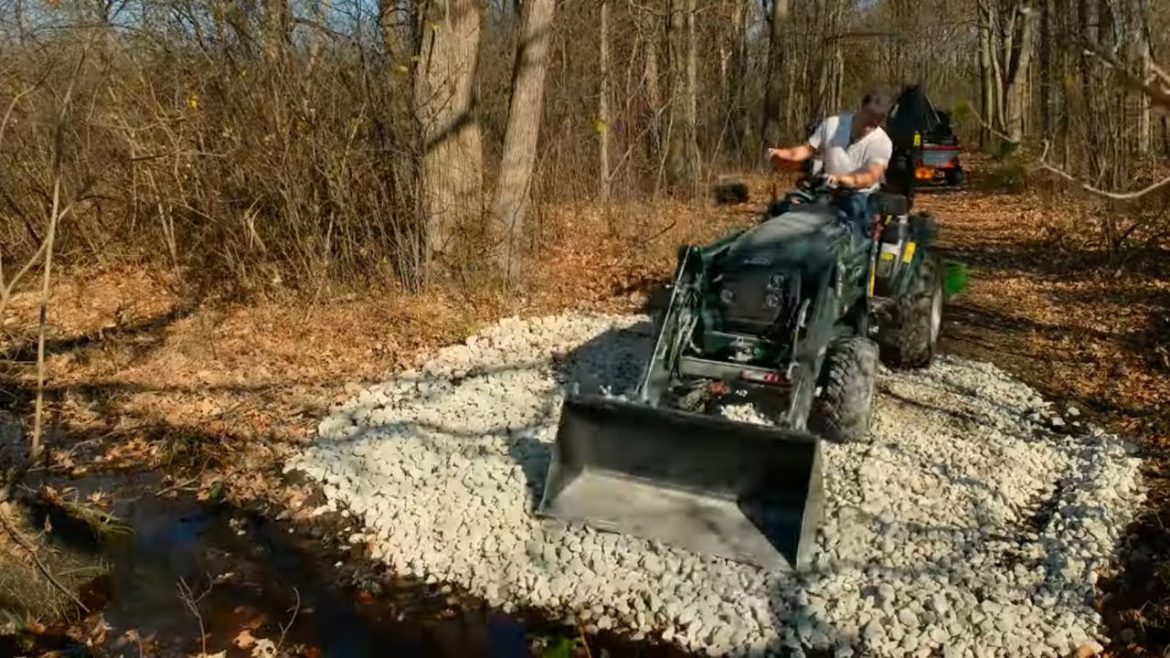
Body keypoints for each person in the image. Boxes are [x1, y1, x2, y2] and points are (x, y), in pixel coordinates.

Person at [766, 90, 894, 237]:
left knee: (847, 225)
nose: (874, 121)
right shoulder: (832, 124)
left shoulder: (882, 143)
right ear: (861, 107)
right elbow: (808, 149)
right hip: (826, 189)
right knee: (787, 209)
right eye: (871, 114)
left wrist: (843, 180)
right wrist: (783, 154)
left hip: (859, 195)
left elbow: (870, 176)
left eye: (880, 117)